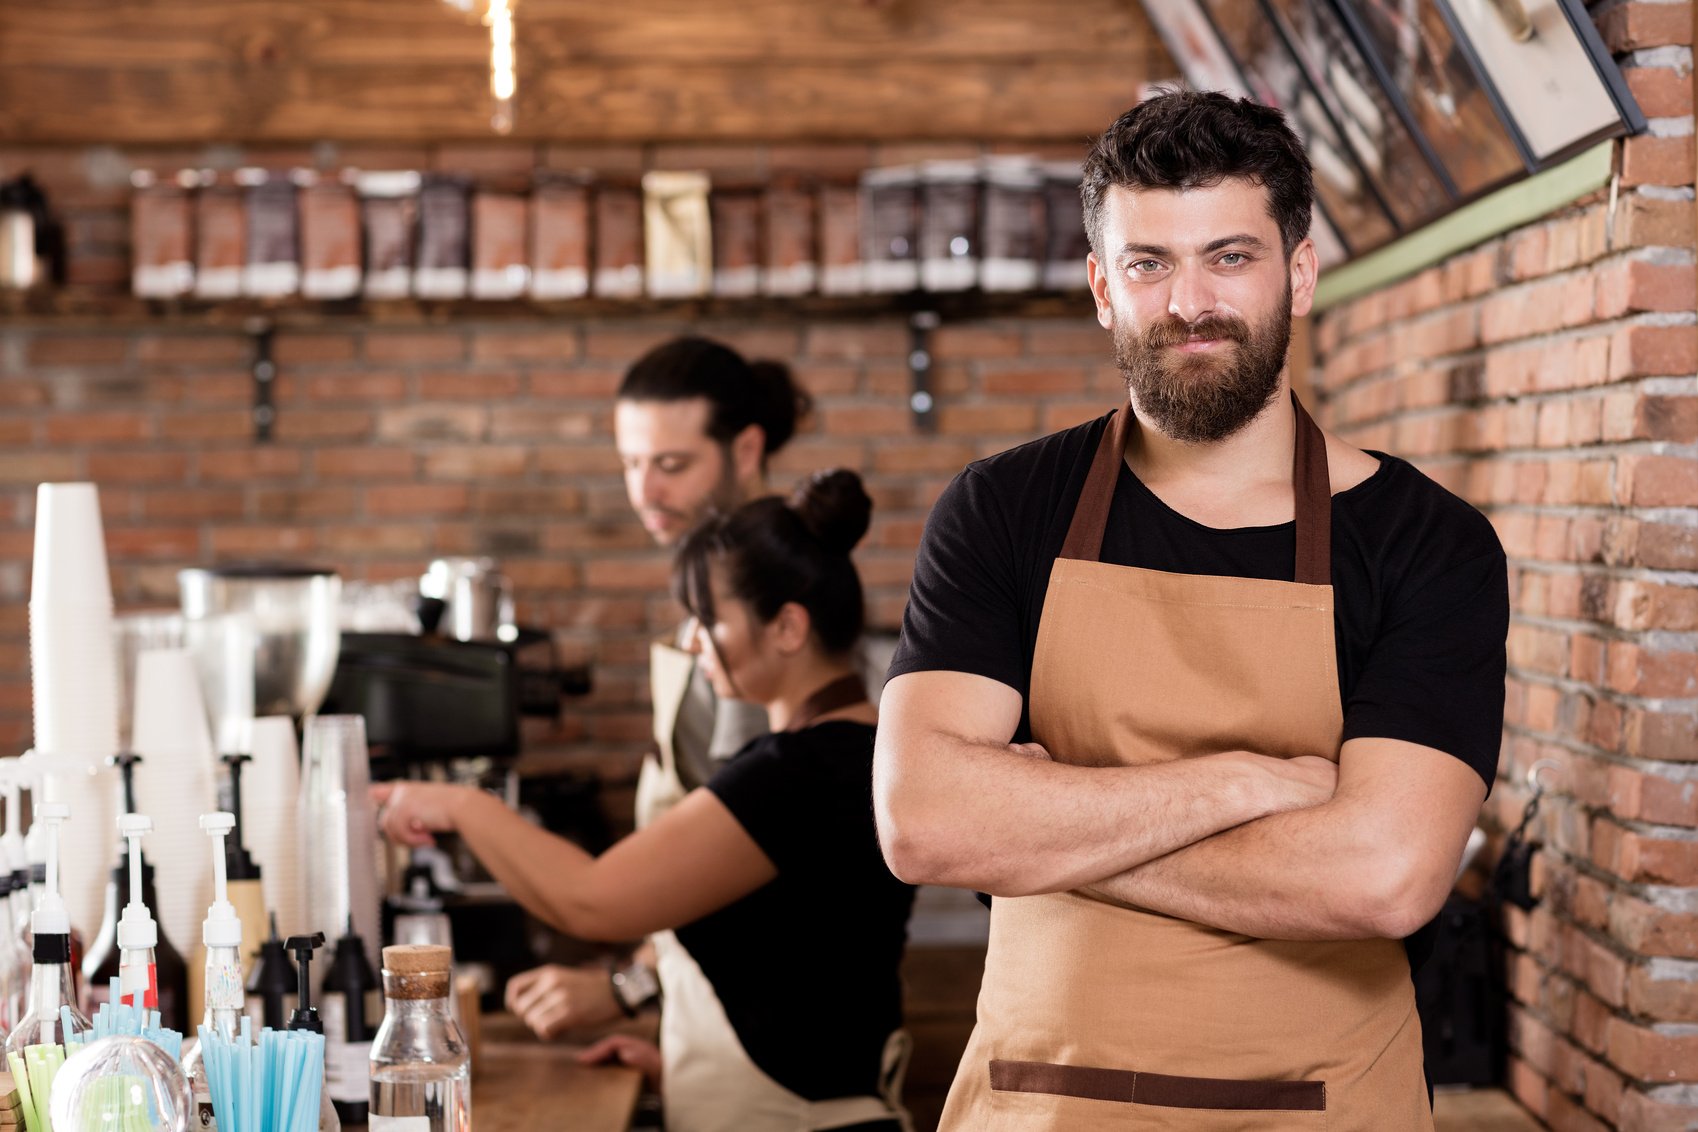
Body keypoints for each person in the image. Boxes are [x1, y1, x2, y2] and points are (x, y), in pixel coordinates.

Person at [873, 90, 1508, 1130]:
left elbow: (1384, 878)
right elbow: (926, 823)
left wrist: (1046, 828)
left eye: (1229, 256)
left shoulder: (1425, 543)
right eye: (1148, 263)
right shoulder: (1005, 508)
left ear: (1297, 275)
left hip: (1319, 1109)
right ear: (1101, 287)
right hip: (1043, 1105)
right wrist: (1245, 783)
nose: (1188, 303)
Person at [375, 469, 917, 1132]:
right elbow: (801, 968)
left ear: (788, 628)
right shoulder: (850, 752)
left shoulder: (801, 772)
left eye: (708, 617)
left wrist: (459, 805)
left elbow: (590, 900)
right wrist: (684, 1067)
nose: (692, 640)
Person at [505, 336, 808, 1039]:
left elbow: (742, 858)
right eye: (631, 464)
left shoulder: (763, 614)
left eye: (671, 465)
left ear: (745, 450)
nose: (644, 491)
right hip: (714, 1022)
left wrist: (629, 984)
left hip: (775, 1035)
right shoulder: (712, 597)